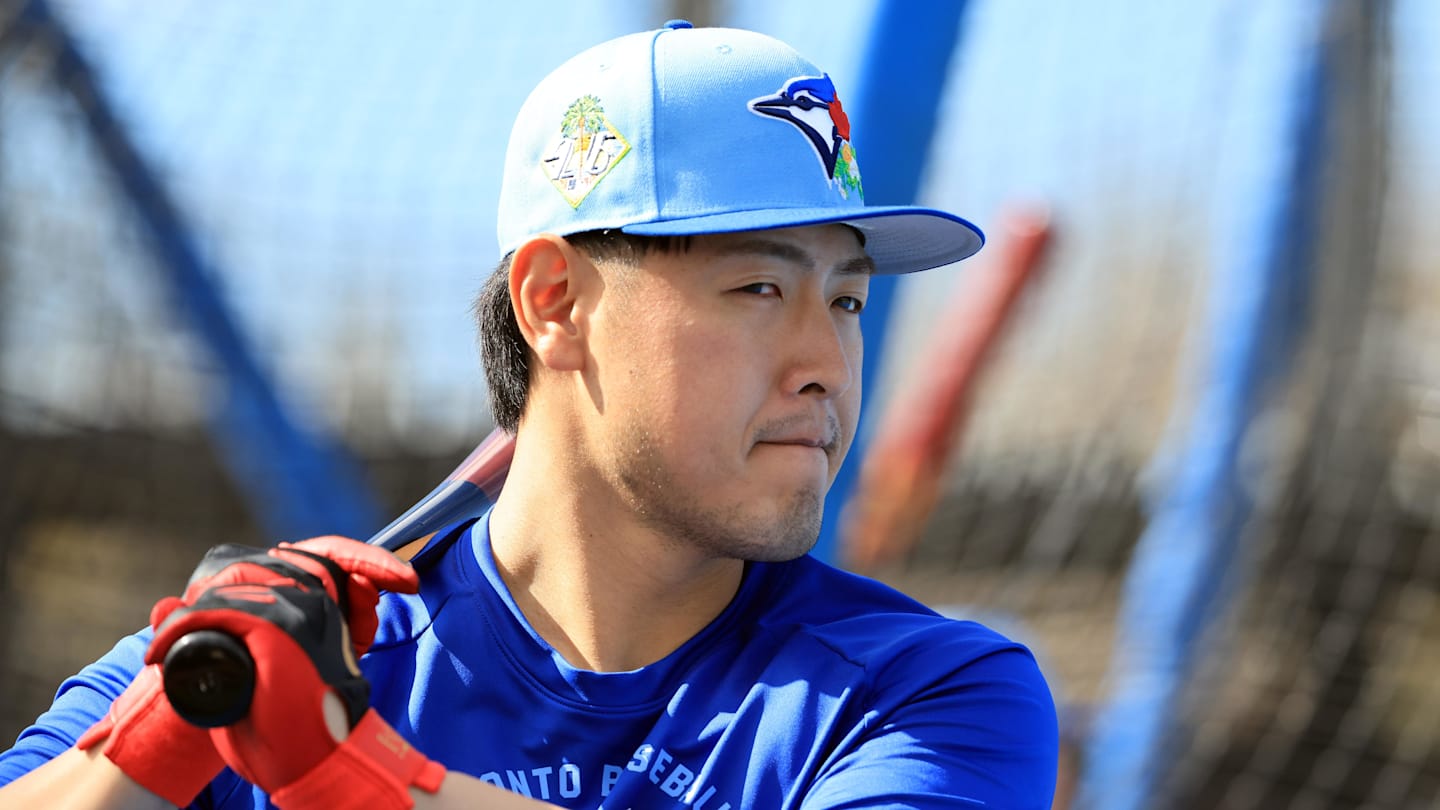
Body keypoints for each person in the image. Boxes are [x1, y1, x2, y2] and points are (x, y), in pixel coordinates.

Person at [0, 20, 1058, 809]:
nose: (827, 362)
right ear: (555, 305)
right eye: (760, 291)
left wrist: (352, 769)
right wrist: (153, 742)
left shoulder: (930, 691)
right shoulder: (298, 665)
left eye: (848, 301)